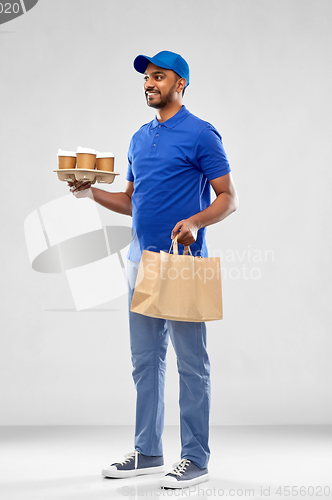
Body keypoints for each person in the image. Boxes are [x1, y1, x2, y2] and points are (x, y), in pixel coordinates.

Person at [69, 51, 238, 489]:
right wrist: (90, 194)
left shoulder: (202, 134)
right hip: (139, 262)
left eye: (158, 77)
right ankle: (148, 451)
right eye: (146, 78)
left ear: (180, 83)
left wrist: (197, 221)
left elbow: (227, 197)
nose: (149, 84)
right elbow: (130, 201)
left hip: (182, 265)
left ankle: (195, 458)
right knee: (145, 363)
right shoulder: (139, 138)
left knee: (191, 365)